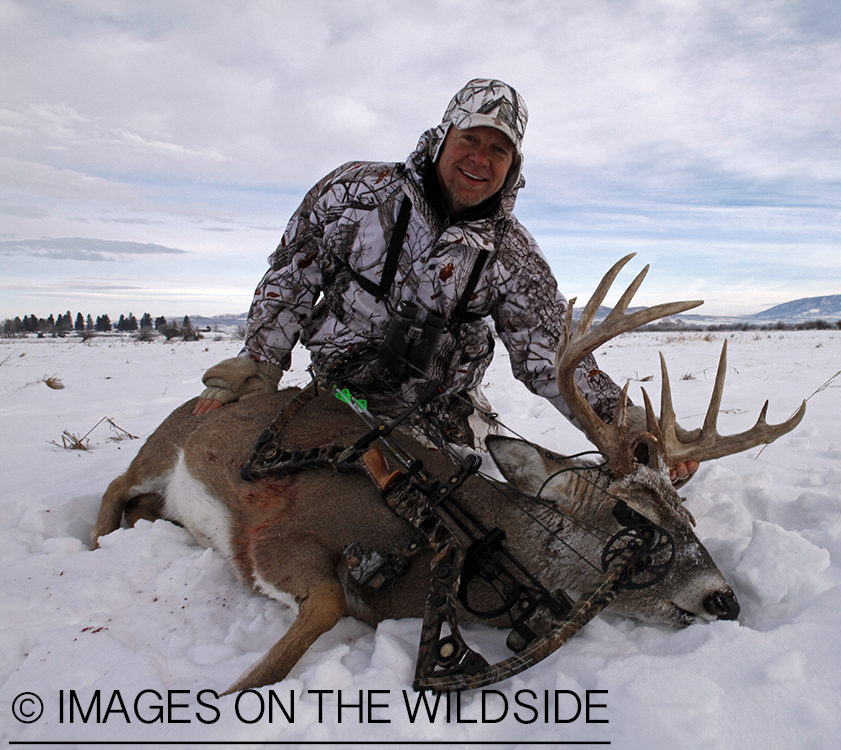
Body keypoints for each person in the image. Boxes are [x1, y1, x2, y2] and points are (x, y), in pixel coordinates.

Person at [192, 79, 696, 483]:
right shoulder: (356, 193)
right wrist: (257, 368)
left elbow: (551, 355)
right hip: (339, 393)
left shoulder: (513, 255)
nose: (480, 159)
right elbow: (291, 278)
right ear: (443, 138)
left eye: (499, 151)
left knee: (459, 498)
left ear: (513, 166)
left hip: (442, 410)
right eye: (470, 139)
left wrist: (632, 429)